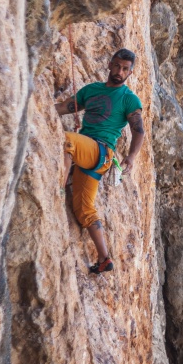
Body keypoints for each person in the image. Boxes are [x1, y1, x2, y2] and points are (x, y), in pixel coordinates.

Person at [56, 48, 145, 274]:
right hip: (91, 154)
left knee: (68, 140)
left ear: (130, 73)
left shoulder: (128, 99)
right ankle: (105, 258)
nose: (119, 71)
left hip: (102, 151)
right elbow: (65, 108)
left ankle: (56, 190)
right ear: (110, 65)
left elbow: (139, 131)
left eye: (125, 69)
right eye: (116, 66)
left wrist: (132, 157)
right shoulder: (92, 90)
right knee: (84, 209)